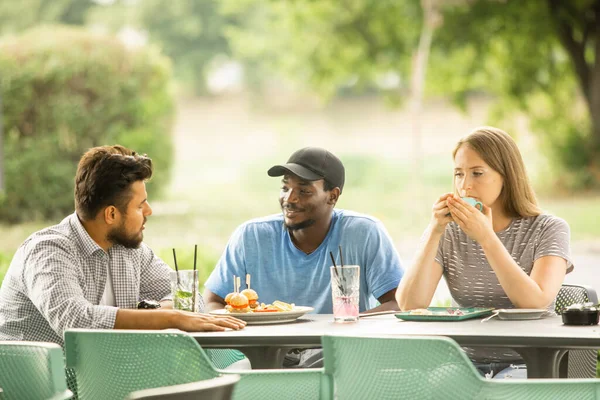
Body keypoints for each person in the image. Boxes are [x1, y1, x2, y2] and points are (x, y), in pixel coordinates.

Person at [0, 145, 245, 346]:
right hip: (39, 386)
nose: (149, 211)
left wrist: (161, 312)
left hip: (103, 380)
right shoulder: (48, 251)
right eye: (140, 206)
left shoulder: (131, 250)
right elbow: (74, 319)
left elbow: (190, 303)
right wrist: (170, 316)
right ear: (111, 215)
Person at [396, 127, 573, 379]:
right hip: (462, 365)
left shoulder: (549, 228)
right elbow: (410, 304)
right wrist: (435, 230)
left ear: (507, 176)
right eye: (458, 174)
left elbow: (535, 302)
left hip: (528, 365)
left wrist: (487, 238)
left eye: (477, 173)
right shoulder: (450, 231)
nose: (464, 185)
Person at [204, 147, 405, 367]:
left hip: (338, 354)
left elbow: (399, 302)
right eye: (285, 187)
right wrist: (243, 329)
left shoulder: (363, 232)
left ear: (333, 196)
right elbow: (213, 301)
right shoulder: (250, 236)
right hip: (264, 356)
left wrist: (349, 322)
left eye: (304, 191)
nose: (289, 199)